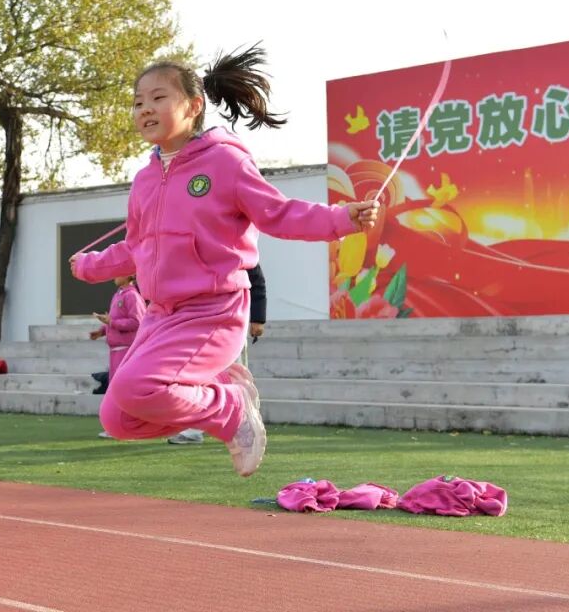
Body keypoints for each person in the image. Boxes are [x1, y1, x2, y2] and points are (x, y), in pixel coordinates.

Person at [70, 45, 378, 476]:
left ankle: (229, 407)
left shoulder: (226, 162)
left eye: (158, 98)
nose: (145, 109)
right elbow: (136, 249)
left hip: (213, 310)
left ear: (194, 106)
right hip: (160, 315)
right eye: (138, 102)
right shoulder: (144, 180)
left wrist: (342, 218)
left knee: (138, 387)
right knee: (117, 418)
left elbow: (278, 213)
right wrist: (88, 266)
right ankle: (221, 392)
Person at [167, 264, 265, 445]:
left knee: (235, 375)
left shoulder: (239, 253)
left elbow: (256, 280)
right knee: (196, 377)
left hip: (232, 324)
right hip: (202, 324)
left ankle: (244, 423)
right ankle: (193, 428)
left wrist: (258, 318)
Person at [89, 275, 146, 437]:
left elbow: (137, 322)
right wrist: (101, 331)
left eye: (119, 272)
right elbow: (114, 320)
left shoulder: (132, 296)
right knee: (115, 390)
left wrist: (111, 322)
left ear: (129, 275)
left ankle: (129, 427)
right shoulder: (118, 295)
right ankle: (116, 427)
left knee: (124, 389)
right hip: (115, 350)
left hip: (126, 350)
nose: (114, 275)